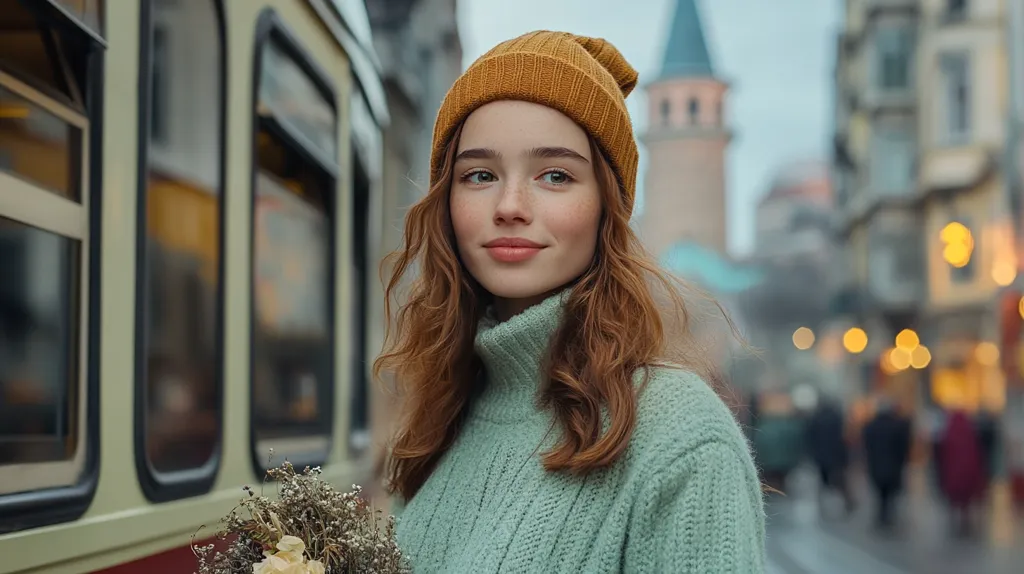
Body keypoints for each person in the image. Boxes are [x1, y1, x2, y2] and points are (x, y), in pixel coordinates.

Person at [374, 30, 766, 572]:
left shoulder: (682, 437)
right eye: (480, 175)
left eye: (555, 175)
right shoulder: (435, 418)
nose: (510, 205)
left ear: (608, 207)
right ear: (447, 203)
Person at [861, 398, 912, 528]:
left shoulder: (871, 426)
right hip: (893, 465)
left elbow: (866, 446)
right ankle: (887, 516)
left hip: (876, 464)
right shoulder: (896, 426)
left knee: (880, 493)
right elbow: (903, 446)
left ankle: (882, 516)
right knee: (890, 493)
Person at [805, 399, 854, 516]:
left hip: (821, 456)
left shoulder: (816, 419)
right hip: (836, 456)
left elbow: (810, 437)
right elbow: (843, 438)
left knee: (823, 482)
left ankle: (823, 505)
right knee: (839, 480)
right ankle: (847, 503)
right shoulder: (837, 418)